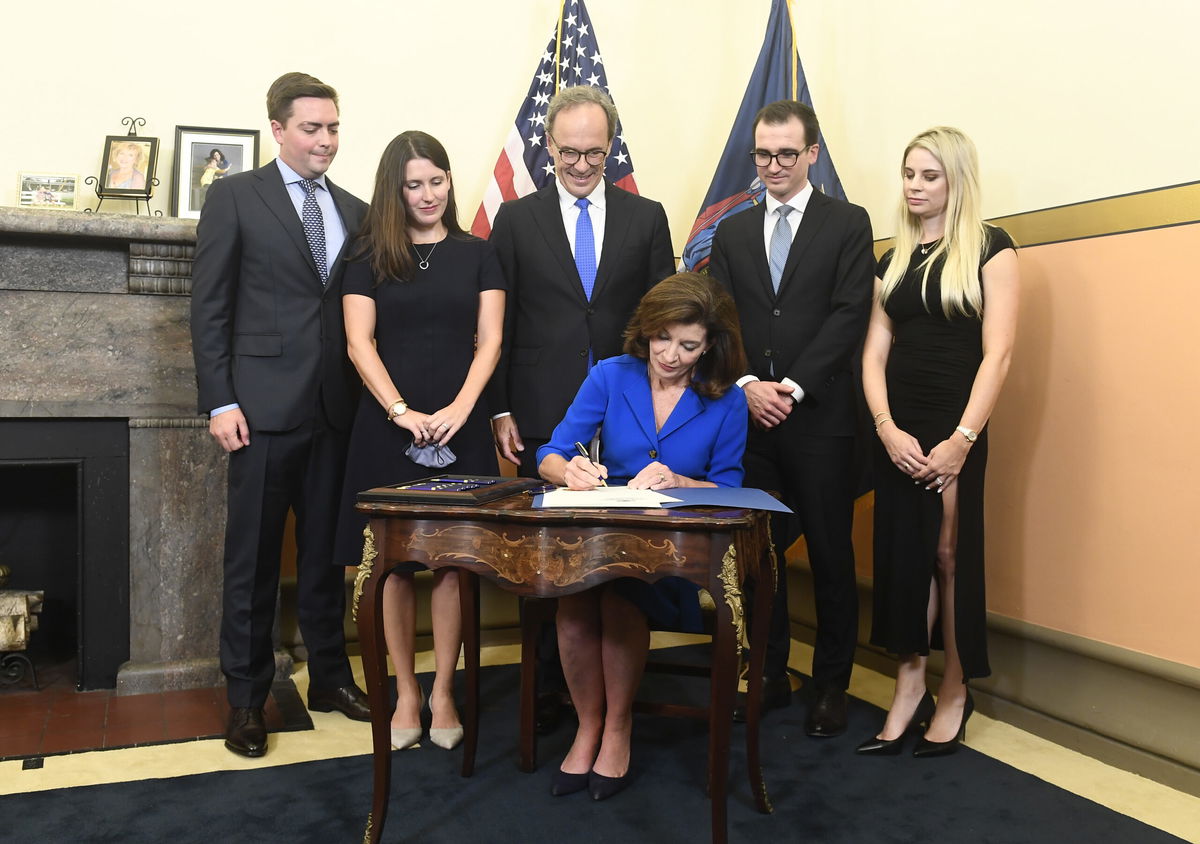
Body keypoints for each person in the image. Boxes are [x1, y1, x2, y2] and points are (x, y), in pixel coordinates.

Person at [190, 71, 371, 759]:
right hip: (258, 412)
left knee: (327, 557)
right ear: (277, 129)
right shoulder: (235, 196)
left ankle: (329, 677)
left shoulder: (356, 209)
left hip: (335, 412)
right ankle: (246, 700)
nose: (325, 140)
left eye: (332, 127)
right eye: (311, 128)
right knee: (254, 562)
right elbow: (209, 308)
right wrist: (220, 399)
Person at [487, 85, 675, 733]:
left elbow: (663, 324)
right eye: (569, 152)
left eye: (594, 152)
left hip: (626, 415)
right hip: (542, 410)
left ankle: (616, 697)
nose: (581, 164)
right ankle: (546, 685)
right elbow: (498, 325)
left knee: (619, 560)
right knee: (547, 558)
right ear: (547, 146)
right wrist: (501, 408)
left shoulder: (646, 217)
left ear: (610, 147)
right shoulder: (515, 220)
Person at [536, 272, 749, 800]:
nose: (671, 355)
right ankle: (588, 724)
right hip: (599, 540)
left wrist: (680, 481)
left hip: (674, 554)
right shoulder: (611, 376)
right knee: (574, 601)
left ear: (710, 347)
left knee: (620, 596)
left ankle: (618, 726)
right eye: (662, 338)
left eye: (688, 345)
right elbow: (550, 452)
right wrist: (569, 473)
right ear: (645, 331)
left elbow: (730, 488)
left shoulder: (726, 401)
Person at [332, 130, 506, 752]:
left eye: (437, 181)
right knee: (395, 566)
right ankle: (406, 689)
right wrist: (400, 410)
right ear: (394, 191)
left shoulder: (479, 253)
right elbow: (359, 344)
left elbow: (489, 341)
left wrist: (462, 408)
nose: (428, 194)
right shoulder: (366, 257)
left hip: (462, 425)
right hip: (387, 428)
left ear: (449, 182)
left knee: (454, 564)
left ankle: (443, 692)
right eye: (414, 185)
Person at [708, 99, 875, 737]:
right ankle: (770, 672)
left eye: (785, 154)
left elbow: (848, 314)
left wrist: (795, 387)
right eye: (762, 154)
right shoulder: (734, 231)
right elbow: (718, 318)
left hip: (822, 419)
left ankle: (832, 685)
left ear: (811, 154)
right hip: (751, 421)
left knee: (832, 559)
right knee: (759, 555)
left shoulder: (847, 223)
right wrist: (748, 384)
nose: (772, 165)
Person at [857, 127, 1018, 757]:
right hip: (899, 428)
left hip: (957, 423)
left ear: (957, 180)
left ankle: (954, 688)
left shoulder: (990, 248)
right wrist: (886, 428)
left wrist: (962, 440)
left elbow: (998, 354)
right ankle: (908, 684)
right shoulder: (892, 257)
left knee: (947, 554)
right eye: (908, 174)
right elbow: (872, 353)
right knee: (903, 554)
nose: (915, 187)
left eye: (929, 176)